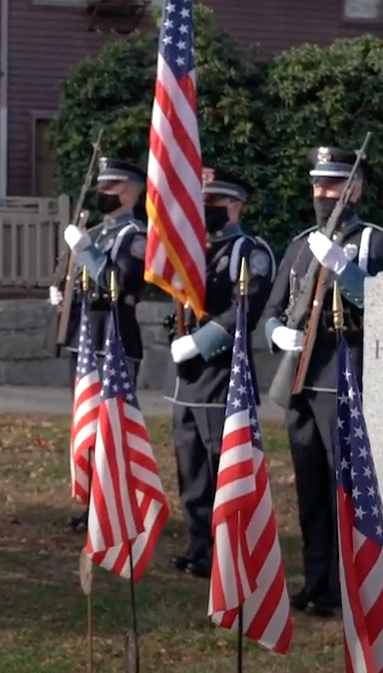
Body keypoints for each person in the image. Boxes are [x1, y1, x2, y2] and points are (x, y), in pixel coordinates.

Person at [259, 145, 383, 618]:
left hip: (347, 385)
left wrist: (346, 269)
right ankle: (316, 580)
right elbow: (272, 310)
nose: (324, 193)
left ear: (355, 189)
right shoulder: (301, 244)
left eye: (334, 184)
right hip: (302, 384)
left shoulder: (376, 244)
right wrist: (278, 334)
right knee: (310, 490)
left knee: (348, 490)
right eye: (318, 184)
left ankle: (351, 585)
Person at [163, 168, 275, 578]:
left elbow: (244, 309)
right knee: (190, 465)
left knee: (218, 462)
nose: (205, 210)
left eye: (214, 203)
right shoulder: (192, 248)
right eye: (202, 202)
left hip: (221, 372)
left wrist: (200, 342)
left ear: (236, 205)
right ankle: (198, 545)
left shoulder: (249, 251)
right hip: (186, 376)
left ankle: (227, 549)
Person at [49, 156, 148, 532]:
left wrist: (86, 251)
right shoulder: (100, 232)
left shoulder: (134, 237)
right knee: (88, 427)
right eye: (101, 186)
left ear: (129, 192)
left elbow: (116, 284)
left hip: (114, 344)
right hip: (87, 342)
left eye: (110, 187)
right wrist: (63, 295)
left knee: (112, 429)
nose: (102, 193)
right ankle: (91, 502)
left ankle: (114, 505)